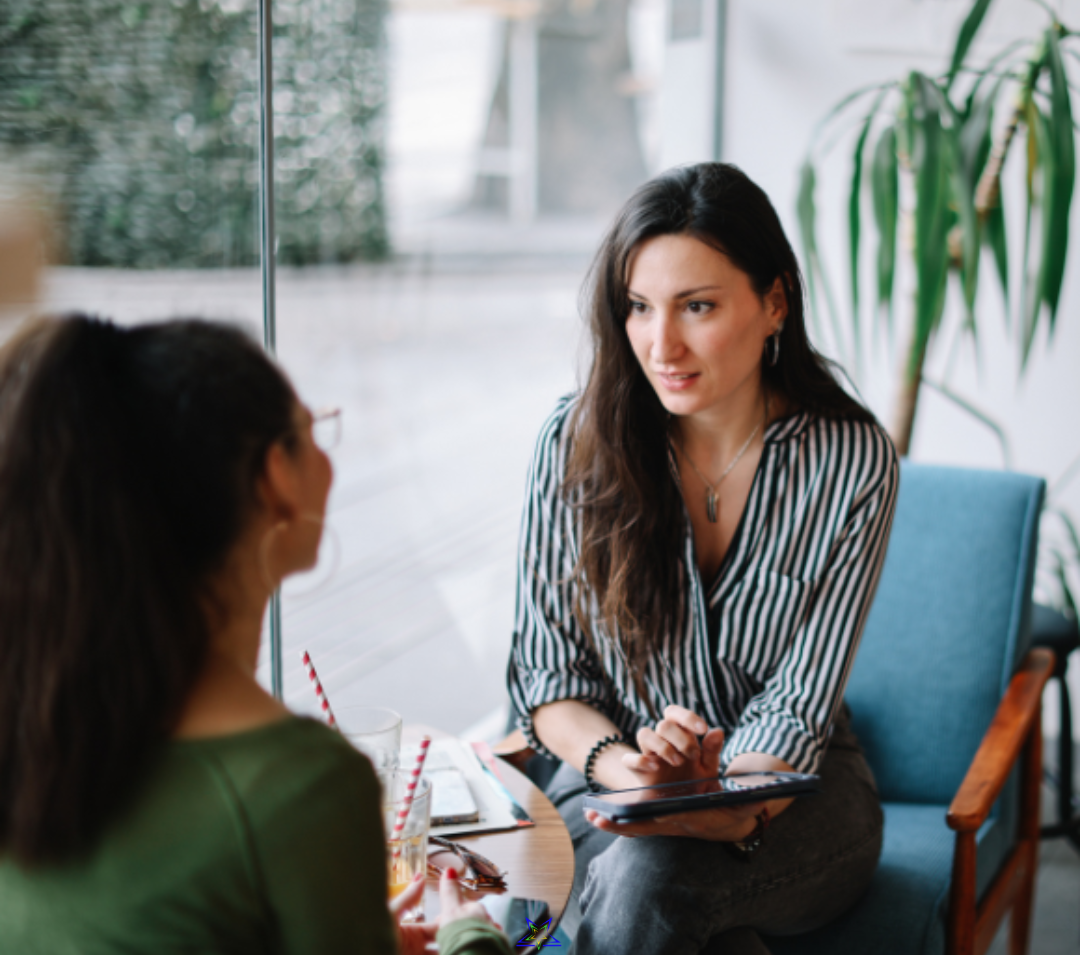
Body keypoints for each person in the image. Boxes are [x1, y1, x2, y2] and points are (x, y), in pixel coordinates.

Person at [0, 314, 511, 955]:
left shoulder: (36, 726)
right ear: (276, 479)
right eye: (313, 430)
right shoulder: (301, 787)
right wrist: (473, 940)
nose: (328, 456)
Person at [507, 163, 899, 955]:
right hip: (606, 783)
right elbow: (549, 683)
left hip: (796, 786)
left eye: (698, 307)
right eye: (640, 308)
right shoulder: (573, 446)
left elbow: (800, 697)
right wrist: (637, 775)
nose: (662, 344)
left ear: (774, 303)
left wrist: (728, 799)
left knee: (654, 876)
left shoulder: (852, 461)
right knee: (675, 896)